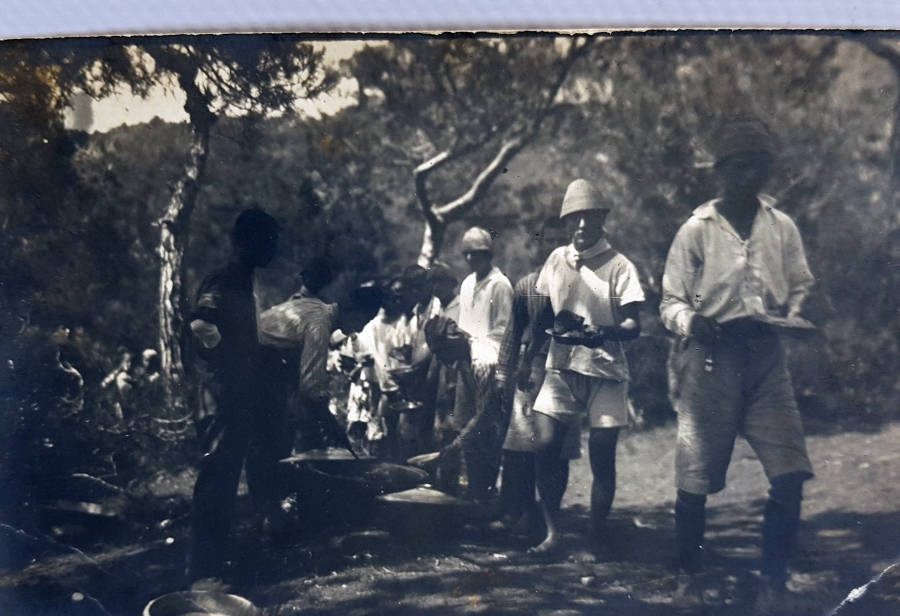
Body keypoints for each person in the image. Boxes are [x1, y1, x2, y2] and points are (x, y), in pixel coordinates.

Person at [660, 116, 815, 613]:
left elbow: (800, 285)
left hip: (766, 358)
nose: (750, 176)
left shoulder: (781, 226)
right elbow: (669, 301)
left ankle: (774, 582)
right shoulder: (697, 231)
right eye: (739, 166)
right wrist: (691, 322)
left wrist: (793, 315)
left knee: (790, 473)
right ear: (721, 173)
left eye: (758, 166)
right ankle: (687, 577)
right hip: (712, 358)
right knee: (695, 475)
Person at [529, 179, 645, 559]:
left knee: (602, 455)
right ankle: (552, 533)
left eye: (589, 216)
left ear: (602, 218)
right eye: (573, 218)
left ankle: (595, 540)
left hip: (605, 371)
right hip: (561, 368)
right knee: (545, 446)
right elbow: (545, 312)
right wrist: (535, 353)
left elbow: (633, 325)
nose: (580, 225)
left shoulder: (619, 266)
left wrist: (603, 333)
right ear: (566, 222)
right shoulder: (555, 260)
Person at [186, 208, 278, 582]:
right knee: (215, 482)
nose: (274, 249)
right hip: (221, 395)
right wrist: (230, 359)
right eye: (269, 242)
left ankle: (213, 565)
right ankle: (202, 573)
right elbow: (201, 323)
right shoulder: (225, 279)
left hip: (236, 395)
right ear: (249, 242)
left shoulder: (245, 281)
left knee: (225, 480)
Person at [493, 216, 579, 535]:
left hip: (567, 370)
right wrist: (503, 375)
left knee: (557, 450)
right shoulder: (525, 286)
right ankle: (523, 512)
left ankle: (550, 516)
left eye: (561, 240)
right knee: (521, 446)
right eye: (548, 240)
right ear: (537, 246)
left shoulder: (577, 283)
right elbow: (513, 335)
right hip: (530, 373)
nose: (555, 246)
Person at [444, 227, 513, 503]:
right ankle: (474, 494)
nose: (473, 259)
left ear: (489, 255)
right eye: (468, 254)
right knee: (466, 432)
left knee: (487, 432)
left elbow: (503, 332)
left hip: (490, 363)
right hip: (467, 363)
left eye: (479, 253)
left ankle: (486, 496)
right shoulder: (468, 284)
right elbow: (462, 326)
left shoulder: (501, 285)